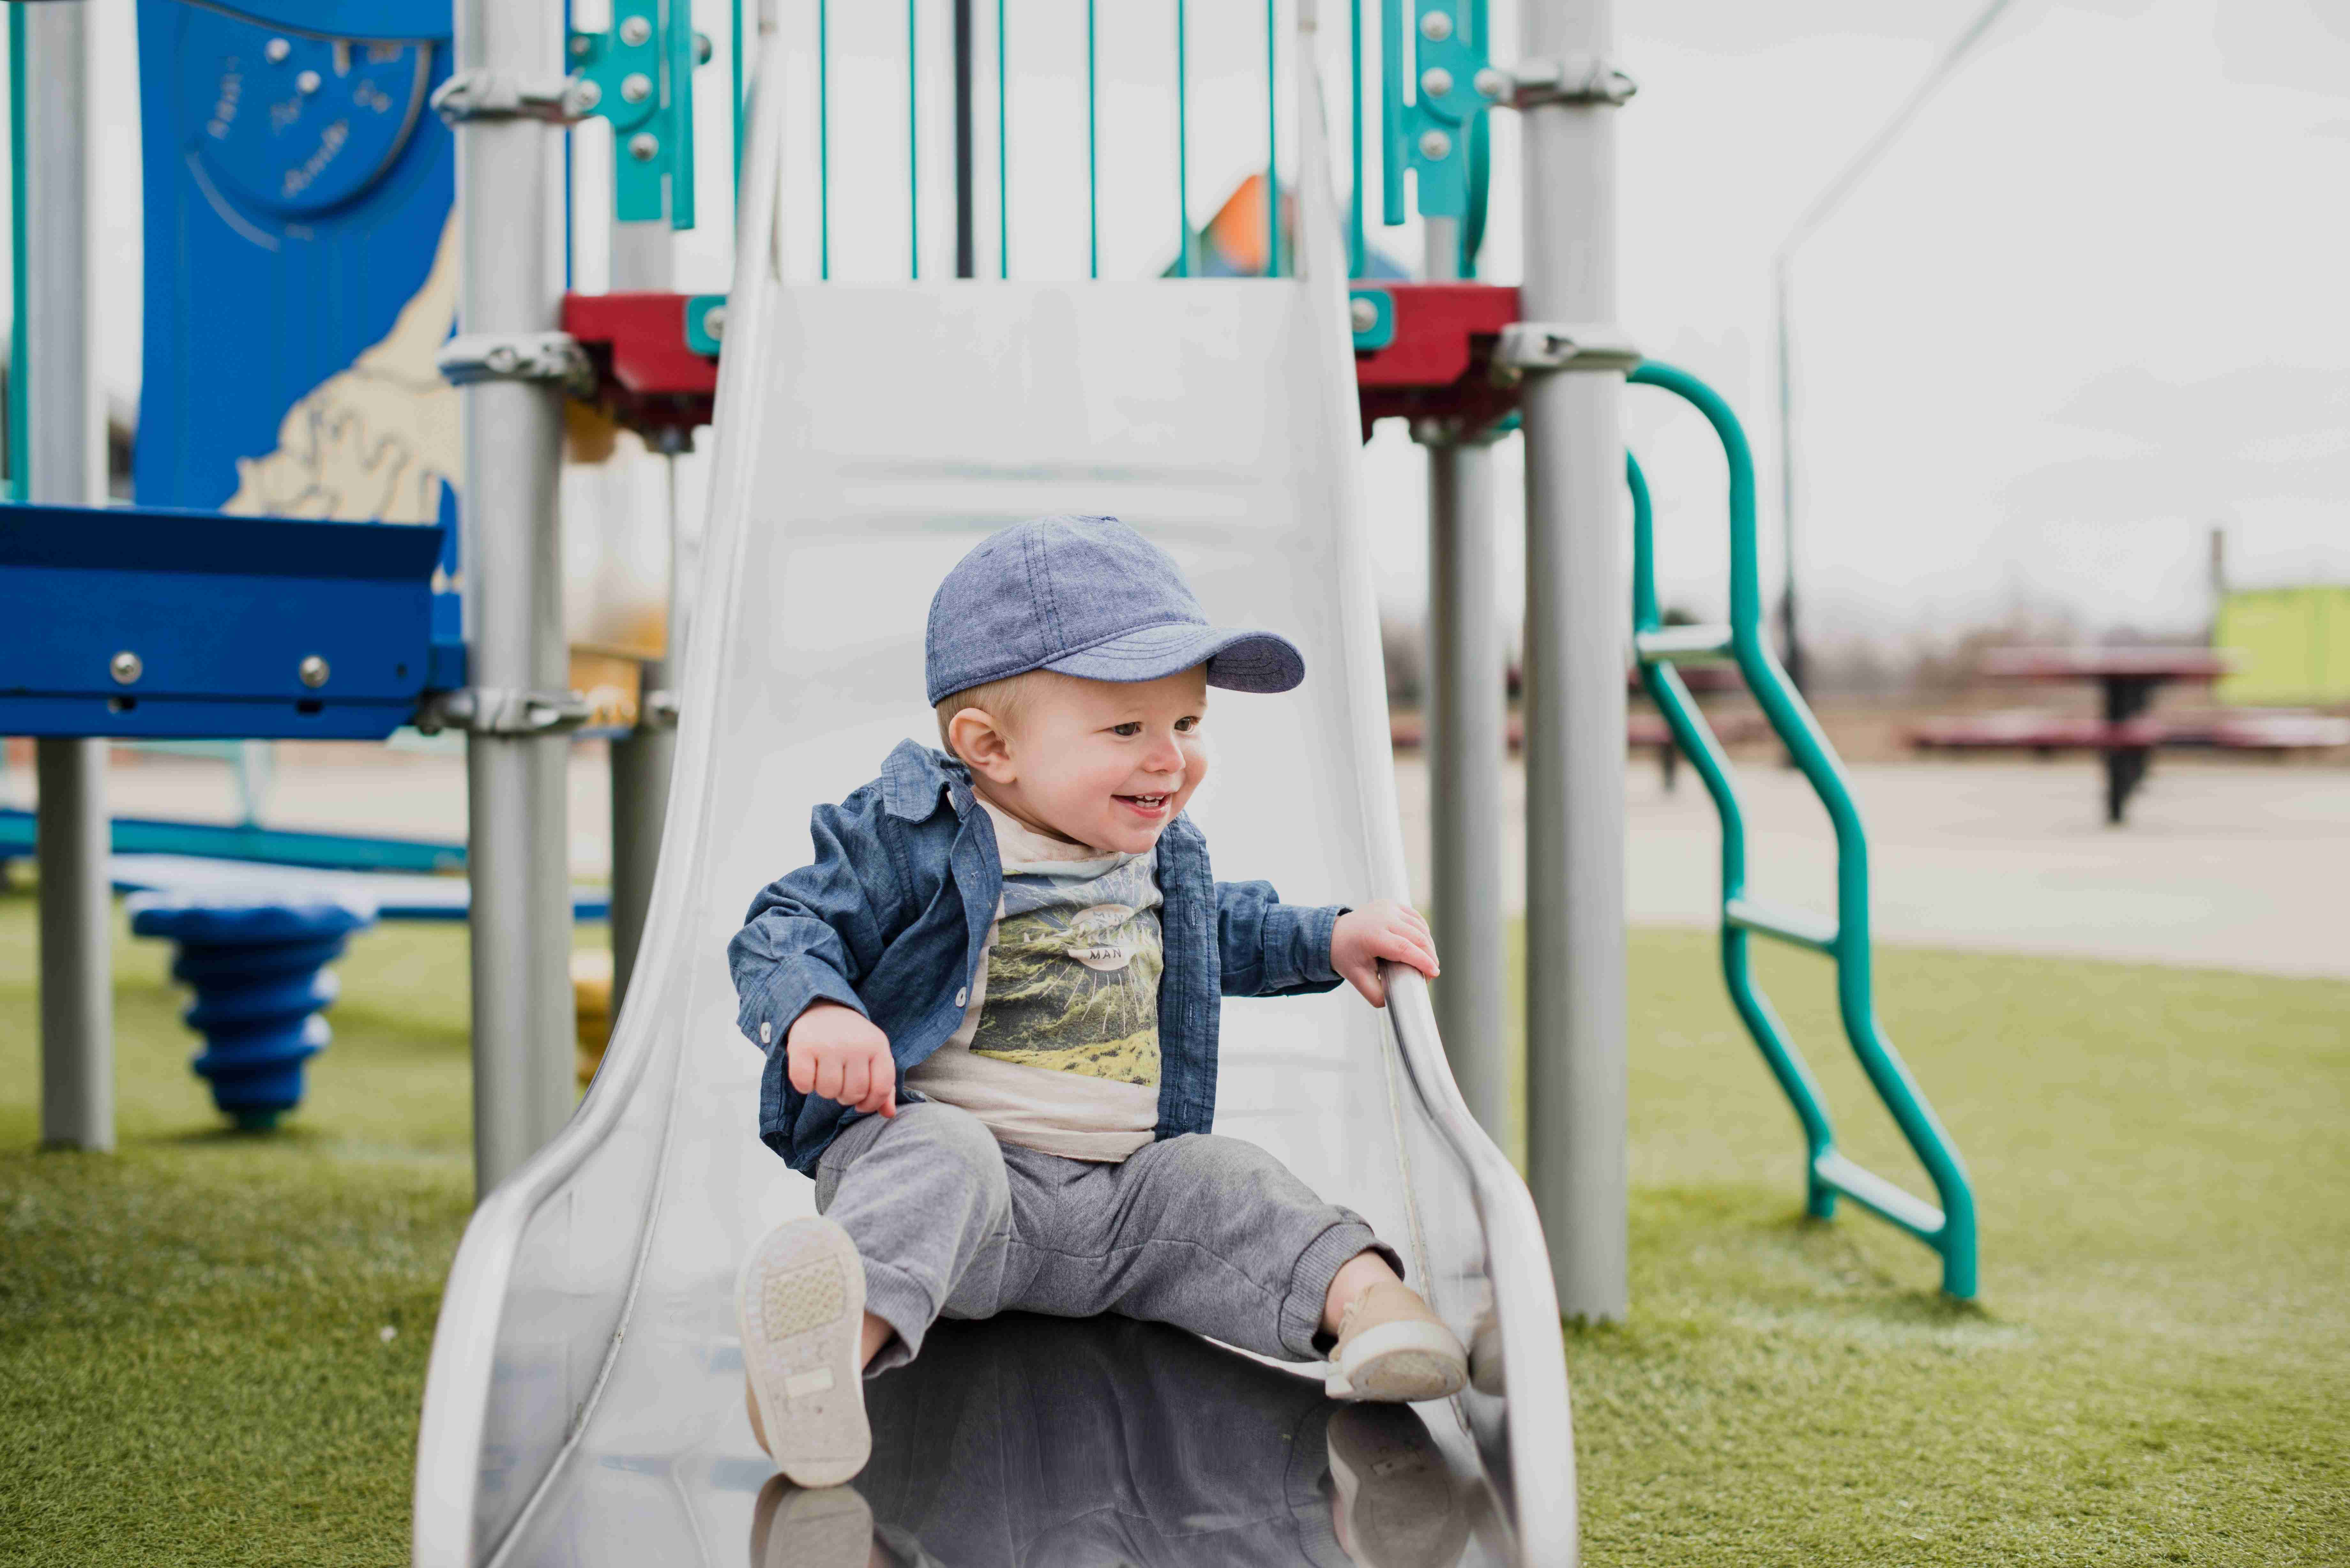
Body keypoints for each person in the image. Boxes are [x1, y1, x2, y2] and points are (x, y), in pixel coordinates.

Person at [730, 515, 1469, 1490]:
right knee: (940, 1160)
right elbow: (783, 923)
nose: (1170, 760)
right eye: (1127, 729)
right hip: (960, 1195)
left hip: (1120, 1210)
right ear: (989, 746)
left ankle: (1371, 1309)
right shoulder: (910, 833)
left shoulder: (1156, 857)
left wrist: (1328, 937)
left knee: (1225, 1180)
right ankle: (826, 1362)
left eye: (1187, 723)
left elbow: (1222, 933)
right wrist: (821, 1011)